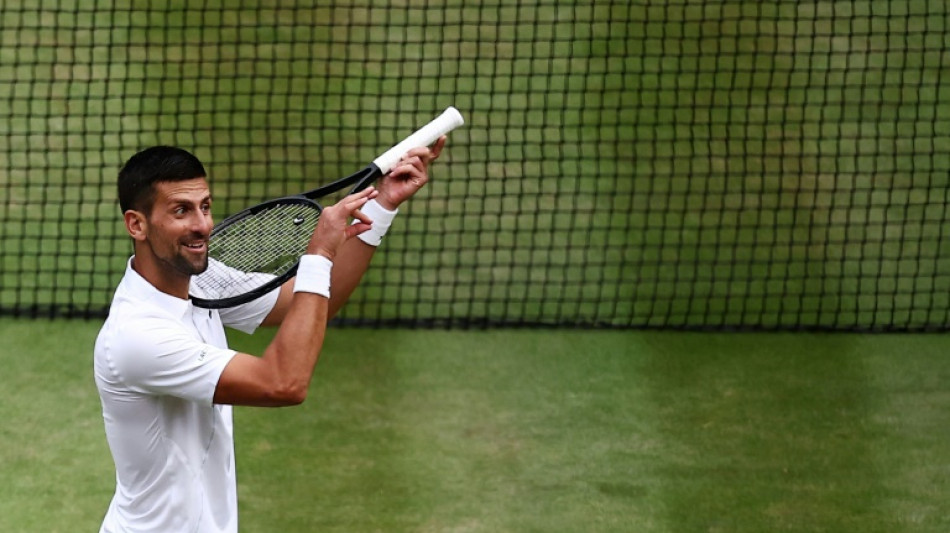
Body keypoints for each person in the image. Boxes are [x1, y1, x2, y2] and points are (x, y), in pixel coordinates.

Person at [93, 139, 445, 533]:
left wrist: (382, 206)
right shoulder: (137, 336)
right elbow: (283, 382)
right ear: (136, 224)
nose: (202, 225)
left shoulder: (200, 278)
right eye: (181, 211)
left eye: (205, 206)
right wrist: (318, 256)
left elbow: (313, 302)